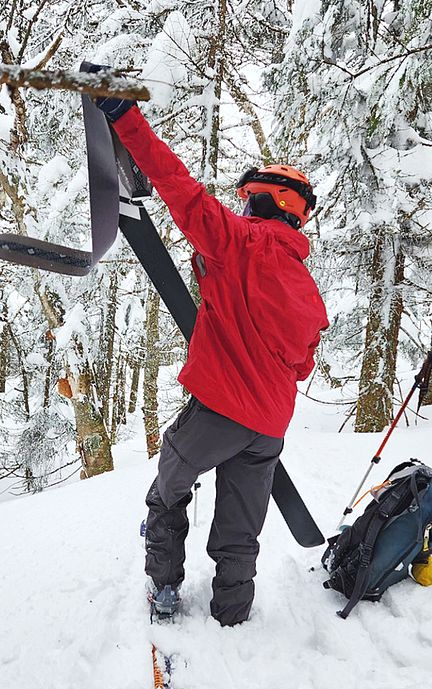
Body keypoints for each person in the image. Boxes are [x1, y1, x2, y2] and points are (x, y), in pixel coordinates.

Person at [95, 92, 329, 627]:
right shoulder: (307, 287)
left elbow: (181, 189)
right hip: (270, 427)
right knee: (240, 527)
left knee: (168, 490)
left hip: (220, 411)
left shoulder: (240, 241)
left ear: (261, 202)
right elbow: (301, 363)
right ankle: (232, 612)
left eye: (246, 199)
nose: (241, 206)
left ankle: (164, 590)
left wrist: (123, 117)